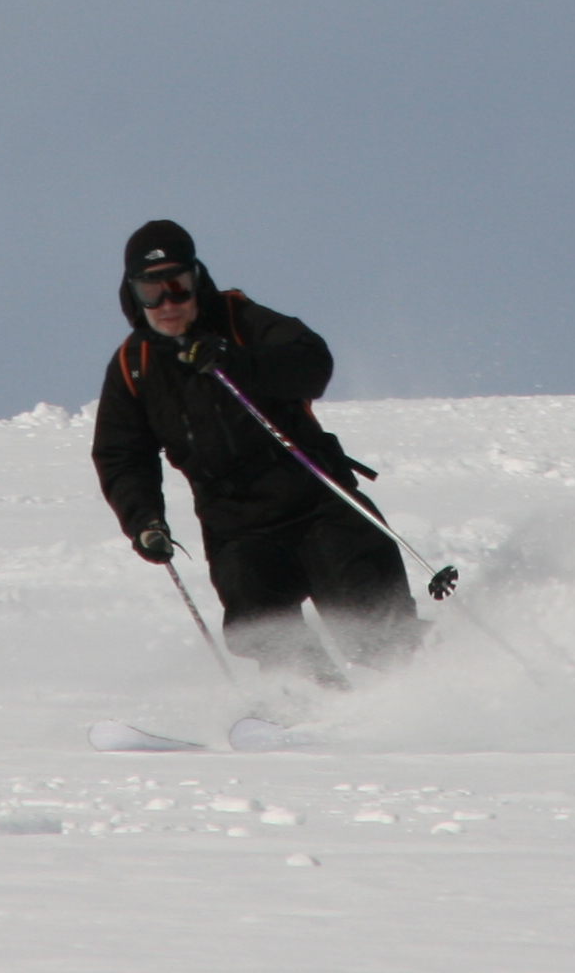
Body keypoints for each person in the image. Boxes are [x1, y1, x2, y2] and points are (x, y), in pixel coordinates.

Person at [90, 219, 422, 685]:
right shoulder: (133, 367)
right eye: (152, 291)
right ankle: (314, 709)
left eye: (178, 287)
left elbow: (312, 364)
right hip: (236, 527)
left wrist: (233, 360)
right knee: (262, 632)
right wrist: (143, 519)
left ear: (196, 281)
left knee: (371, 626)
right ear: (132, 294)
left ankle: (436, 689)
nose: (167, 304)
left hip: (318, 504)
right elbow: (122, 453)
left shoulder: (239, 320)